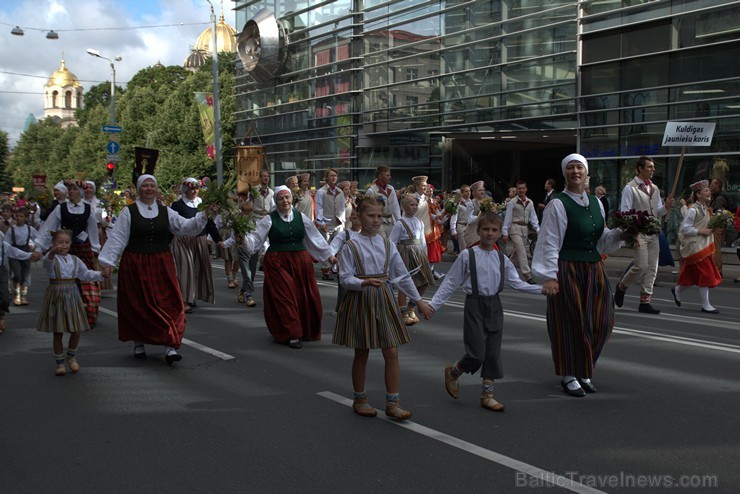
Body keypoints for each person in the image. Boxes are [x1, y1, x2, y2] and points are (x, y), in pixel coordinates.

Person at [532, 153, 626, 397]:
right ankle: (569, 374)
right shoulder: (558, 204)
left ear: (587, 174)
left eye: (579, 168)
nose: (576, 172)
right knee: (570, 322)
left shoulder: (595, 202)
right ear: (565, 174)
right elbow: (550, 241)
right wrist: (549, 276)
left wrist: (622, 234)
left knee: (602, 321)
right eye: (571, 168)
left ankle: (584, 366)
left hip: (593, 268)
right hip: (567, 267)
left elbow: (601, 240)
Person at [428, 212, 542, 411]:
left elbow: (517, 284)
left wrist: (543, 290)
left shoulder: (502, 259)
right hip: (474, 305)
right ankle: (454, 372)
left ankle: (487, 394)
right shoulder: (467, 255)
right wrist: (433, 305)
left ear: (499, 233)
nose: (490, 234)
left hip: (495, 306)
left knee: (492, 352)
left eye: (494, 230)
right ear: (478, 231)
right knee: (477, 353)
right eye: (486, 229)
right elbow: (451, 282)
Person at [332, 197, 432, 420]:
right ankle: (360, 399)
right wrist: (363, 283)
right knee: (362, 351)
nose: (376, 220)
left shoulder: (387, 244)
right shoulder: (351, 245)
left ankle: (393, 402)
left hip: (384, 297)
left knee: (392, 350)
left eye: (379, 216)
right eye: (371, 216)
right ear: (360, 216)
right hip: (361, 298)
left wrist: (420, 301)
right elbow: (345, 278)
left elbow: (402, 276)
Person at [99, 175, 216, 364]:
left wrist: (204, 214)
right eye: (145, 185)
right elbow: (118, 238)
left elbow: (185, 227)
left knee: (169, 301)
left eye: (152, 185)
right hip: (136, 262)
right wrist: (108, 262)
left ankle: (170, 345)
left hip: (162, 262)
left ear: (156, 189)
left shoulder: (166, 211)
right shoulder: (129, 212)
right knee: (139, 303)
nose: (149, 188)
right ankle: (139, 342)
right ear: (139, 189)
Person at [243, 185, 336, 348]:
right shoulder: (269, 219)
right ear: (276, 201)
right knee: (285, 297)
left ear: (291, 199)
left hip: (300, 261)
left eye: (287, 198)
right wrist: (243, 237)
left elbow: (315, 238)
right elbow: (255, 240)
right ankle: (292, 333)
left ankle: (304, 329)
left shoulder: (301, 217)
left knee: (304, 296)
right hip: (277, 263)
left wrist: (330, 255)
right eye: (281, 198)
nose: (285, 201)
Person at [37, 229, 105, 376]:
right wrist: (52, 252)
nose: (63, 245)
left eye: (67, 242)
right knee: (58, 330)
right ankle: (59, 362)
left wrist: (101, 275)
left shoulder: (75, 260)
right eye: (60, 242)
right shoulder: (51, 259)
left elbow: (86, 274)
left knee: (76, 329)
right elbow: (47, 263)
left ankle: (71, 357)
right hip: (56, 294)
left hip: (72, 293)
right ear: (53, 243)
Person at [35, 180, 102, 327]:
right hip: (66, 248)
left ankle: (88, 316)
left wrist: (96, 249)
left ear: (80, 192)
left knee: (88, 281)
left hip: (83, 248)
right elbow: (49, 227)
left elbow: (92, 229)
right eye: (69, 189)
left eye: (73, 189)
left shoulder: (87, 208)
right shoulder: (61, 208)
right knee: (67, 283)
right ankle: (68, 315)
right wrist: (39, 247)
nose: (70, 192)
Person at [614, 156, 674, 314]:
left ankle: (645, 301)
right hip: (638, 231)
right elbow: (625, 211)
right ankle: (622, 286)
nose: (653, 169)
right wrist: (631, 232)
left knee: (652, 267)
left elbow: (658, 211)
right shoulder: (630, 188)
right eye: (649, 167)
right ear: (640, 169)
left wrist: (666, 206)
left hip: (653, 232)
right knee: (641, 265)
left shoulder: (654, 188)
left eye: (653, 167)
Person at [170, 177, 221, 312]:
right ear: (185, 190)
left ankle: (195, 296)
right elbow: (173, 224)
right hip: (183, 240)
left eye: (196, 189)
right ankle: (184, 299)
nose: (195, 191)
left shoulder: (202, 204)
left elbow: (209, 223)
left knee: (201, 268)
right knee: (185, 269)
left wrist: (218, 239)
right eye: (192, 189)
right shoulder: (177, 205)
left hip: (200, 239)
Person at [670, 181, 722, 314]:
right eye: (706, 190)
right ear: (698, 195)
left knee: (691, 275)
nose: (709, 192)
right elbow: (685, 229)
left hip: (703, 246)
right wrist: (700, 231)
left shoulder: (706, 209)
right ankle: (706, 305)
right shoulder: (693, 209)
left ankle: (677, 290)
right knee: (706, 274)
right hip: (696, 247)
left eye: (709, 190)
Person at [390, 193, 434, 326]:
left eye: (416, 205)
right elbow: (392, 242)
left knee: (424, 281)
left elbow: (423, 241)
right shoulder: (400, 224)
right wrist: (394, 258)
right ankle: (403, 312)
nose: (414, 207)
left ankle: (411, 306)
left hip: (418, 253)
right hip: (405, 254)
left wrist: (424, 256)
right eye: (411, 205)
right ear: (404, 206)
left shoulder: (419, 222)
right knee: (405, 283)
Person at [0, 230, 41, 333]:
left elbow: (15, 252)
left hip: (1, 271)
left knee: (5, 297)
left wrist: (30, 255)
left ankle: (1, 314)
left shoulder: (3, 244)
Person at [220, 200, 259, 307]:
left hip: (254, 251)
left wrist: (264, 249)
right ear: (241, 211)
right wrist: (224, 244)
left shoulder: (255, 222)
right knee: (247, 274)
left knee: (252, 275)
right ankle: (249, 296)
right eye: (244, 211)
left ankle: (242, 290)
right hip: (243, 250)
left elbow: (260, 237)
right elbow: (233, 237)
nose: (246, 213)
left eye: (249, 211)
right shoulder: (237, 223)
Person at [502, 180, 540, 283]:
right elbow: (508, 218)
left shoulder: (530, 202)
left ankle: (502, 270)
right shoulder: (512, 202)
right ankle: (527, 275)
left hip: (524, 229)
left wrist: (538, 230)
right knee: (522, 251)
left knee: (516, 254)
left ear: (526, 189)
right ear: (516, 189)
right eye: (519, 188)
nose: (521, 190)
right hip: (514, 228)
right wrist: (505, 232)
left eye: (523, 188)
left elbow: (533, 218)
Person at [329, 208, 362, 314]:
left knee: (358, 290)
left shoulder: (365, 235)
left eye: (359, 218)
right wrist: (332, 256)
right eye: (354, 218)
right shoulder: (345, 234)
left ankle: (356, 311)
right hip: (345, 266)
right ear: (351, 219)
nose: (357, 221)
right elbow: (334, 245)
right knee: (343, 290)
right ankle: (341, 310)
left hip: (360, 268)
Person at [315, 168, 345, 281]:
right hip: (326, 223)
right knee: (326, 246)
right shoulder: (321, 192)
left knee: (340, 246)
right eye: (331, 175)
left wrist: (343, 221)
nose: (334, 178)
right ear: (326, 177)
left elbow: (342, 208)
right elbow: (319, 208)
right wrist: (321, 222)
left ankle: (339, 268)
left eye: (335, 176)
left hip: (337, 222)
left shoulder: (340, 192)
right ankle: (325, 269)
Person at [5, 206, 38, 306]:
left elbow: (38, 239)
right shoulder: (12, 230)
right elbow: (6, 243)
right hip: (14, 252)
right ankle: (17, 294)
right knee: (17, 274)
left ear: (25, 218)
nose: (18, 218)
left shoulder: (29, 229)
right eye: (17, 216)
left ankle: (24, 295)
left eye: (21, 216)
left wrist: (36, 250)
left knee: (26, 274)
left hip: (26, 251)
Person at [366, 165, 401, 239]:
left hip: (391, 222)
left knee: (391, 244)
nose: (390, 177)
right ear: (380, 176)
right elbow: (367, 209)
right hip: (379, 222)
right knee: (383, 243)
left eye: (390, 175)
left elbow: (395, 206)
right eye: (387, 175)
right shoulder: (372, 190)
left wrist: (399, 222)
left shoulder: (391, 188)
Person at [463, 180, 487, 249]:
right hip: (474, 229)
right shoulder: (471, 203)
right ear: (475, 192)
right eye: (480, 190)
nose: (482, 192)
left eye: (483, 190)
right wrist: (479, 216)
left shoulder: (487, 202)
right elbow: (469, 219)